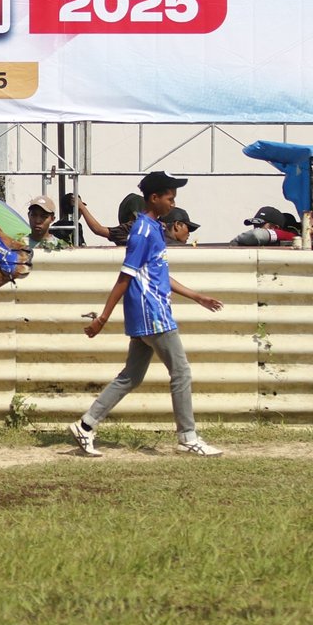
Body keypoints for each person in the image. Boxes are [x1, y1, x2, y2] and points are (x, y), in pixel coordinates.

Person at [69, 171, 225, 459]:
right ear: (154, 198)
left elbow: (158, 276)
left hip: (148, 314)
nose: (172, 203)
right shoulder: (142, 231)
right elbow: (125, 276)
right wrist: (103, 317)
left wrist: (197, 296)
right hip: (153, 313)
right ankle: (188, 436)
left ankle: (86, 425)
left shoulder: (153, 229)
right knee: (181, 371)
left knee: (131, 376)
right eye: (170, 197)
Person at [232, 206, 299, 247]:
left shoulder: (289, 236)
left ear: (275, 228)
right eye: (255, 225)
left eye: (260, 225)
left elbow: (257, 234)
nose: (256, 228)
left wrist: (235, 241)